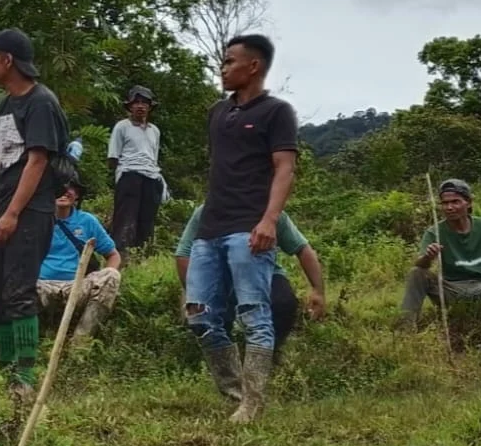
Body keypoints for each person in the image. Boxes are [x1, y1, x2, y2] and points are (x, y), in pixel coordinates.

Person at [185, 34, 297, 424]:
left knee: (254, 313)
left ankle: (253, 402)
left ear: (254, 67)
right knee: (198, 314)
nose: (223, 67)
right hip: (210, 228)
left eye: (230, 61)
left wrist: (268, 220)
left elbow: (284, 168)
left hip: (248, 229)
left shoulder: (276, 112)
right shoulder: (217, 113)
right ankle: (235, 392)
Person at [0, 28, 71, 398]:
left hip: (32, 211)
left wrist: (12, 213)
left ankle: (24, 378)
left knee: (18, 291)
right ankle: (5, 367)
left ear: (8, 60)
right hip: (3, 209)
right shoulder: (3, 105)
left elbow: (37, 161)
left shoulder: (41, 102)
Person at [175, 204, 325, 398]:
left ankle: (268, 355)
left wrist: (318, 290)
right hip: (220, 276)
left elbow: (303, 249)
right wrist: (195, 290)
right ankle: (230, 381)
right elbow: (183, 254)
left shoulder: (271, 213)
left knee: (284, 303)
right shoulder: (206, 212)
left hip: (264, 275)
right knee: (210, 316)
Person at [398, 179, 481, 346]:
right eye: (445, 203)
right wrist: (428, 256)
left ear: (468, 203)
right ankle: (406, 335)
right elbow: (421, 264)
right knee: (416, 273)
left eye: (455, 202)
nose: (449, 207)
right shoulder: (435, 231)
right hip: (451, 290)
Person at [36, 177, 123, 346]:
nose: (65, 192)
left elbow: (113, 255)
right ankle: (35, 339)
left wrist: (101, 278)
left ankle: (80, 343)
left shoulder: (87, 221)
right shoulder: (36, 220)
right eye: (60, 187)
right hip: (41, 286)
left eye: (71, 188)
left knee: (111, 275)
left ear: (77, 195)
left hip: (76, 286)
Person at [108, 85, 163, 260]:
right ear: (130, 106)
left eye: (144, 103)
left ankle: (142, 255)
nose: (140, 106)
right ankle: (119, 255)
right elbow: (113, 156)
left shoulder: (154, 131)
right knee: (125, 217)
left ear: (149, 107)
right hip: (129, 174)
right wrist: (121, 177)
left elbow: (153, 157)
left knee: (146, 218)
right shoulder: (122, 127)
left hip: (151, 176)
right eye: (136, 102)